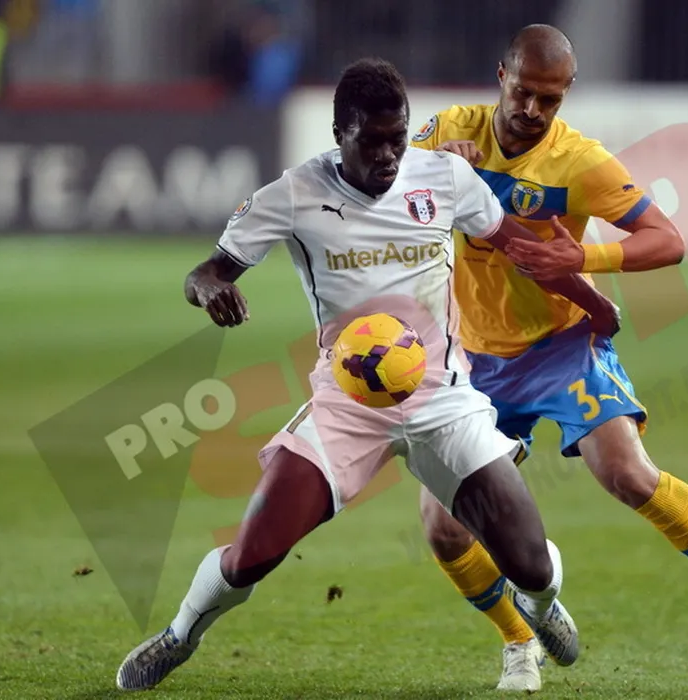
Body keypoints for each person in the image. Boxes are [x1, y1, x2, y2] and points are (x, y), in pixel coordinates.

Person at [114, 56, 624, 692]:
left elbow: (521, 247)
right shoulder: (293, 194)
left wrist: (593, 302)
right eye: (372, 141)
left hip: (442, 401)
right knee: (250, 557)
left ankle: (542, 610)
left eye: (398, 137)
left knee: (531, 567)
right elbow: (206, 271)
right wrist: (211, 290)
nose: (388, 155)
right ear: (340, 134)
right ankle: (179, 635)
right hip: (347, 404)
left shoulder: (444, 177)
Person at [409, 24, 688, 692]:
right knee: (441, 527)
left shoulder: (579, 162)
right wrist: (428, 169)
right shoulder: (447, 132)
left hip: (560, 345)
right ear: (501, 76)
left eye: (550, 99)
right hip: (471, 361)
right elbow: (381, 188)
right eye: (524, 92)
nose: (533, 110)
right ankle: (520, 640)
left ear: (566, 94)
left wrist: (583, 255)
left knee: (629, 474)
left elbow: (668, 240)